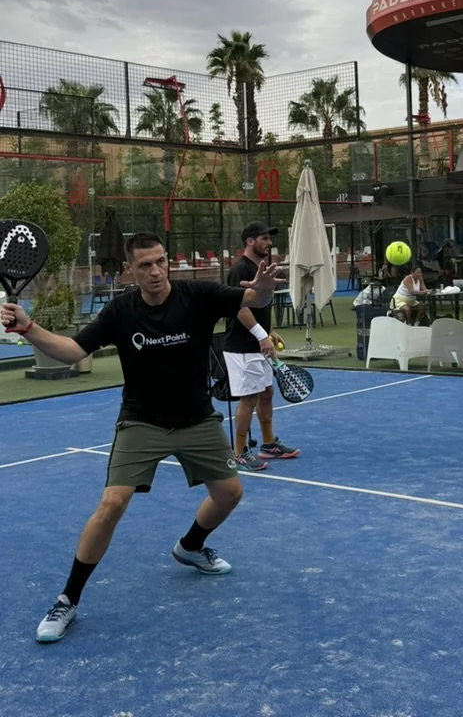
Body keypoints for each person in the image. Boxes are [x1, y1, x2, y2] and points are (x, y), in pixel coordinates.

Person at [1, 232, 281, 644]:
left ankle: (190, 547)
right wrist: (28, 327)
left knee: (229, 494)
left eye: (160, 261)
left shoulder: (197, 295)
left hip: (197, 420)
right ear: (129, 270)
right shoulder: (120, 311)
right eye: (145, 265)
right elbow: (73, 352)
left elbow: (253, 299)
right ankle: (67, 599)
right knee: (112, 503)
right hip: (141, 423)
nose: (155, 271)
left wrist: (264, 288)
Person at [223, 222, 299, 470]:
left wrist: (269, 331)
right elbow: (238, 307)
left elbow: (261, 306)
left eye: (269, 238)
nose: (269, 243)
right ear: (250, 241)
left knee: (266, 393)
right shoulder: (240, 269)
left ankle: (268, 445)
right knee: (249, 399)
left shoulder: (261, 269)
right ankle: (239, 453)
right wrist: (260, 335)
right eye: (264, 238)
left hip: (258, 343)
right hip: (242, 346)